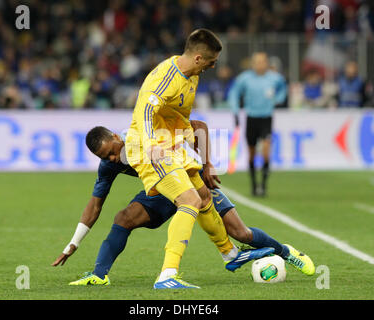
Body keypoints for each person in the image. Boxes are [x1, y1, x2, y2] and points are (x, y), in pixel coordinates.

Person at [51, 122, 315, 286]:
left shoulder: (145, 131)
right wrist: (73, 243)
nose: (111, 158)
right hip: (161, 191)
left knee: (240, 233)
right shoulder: (109, 165)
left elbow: (198, 126)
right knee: (123, 218)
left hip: (192, 181)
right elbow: (95, 205)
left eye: (111, 150)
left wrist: (206, 164)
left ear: (115, 136)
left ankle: (285, 252)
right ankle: (99, 274)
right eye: (104, 156)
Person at [124, 28, 241, 289]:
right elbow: (144, 110)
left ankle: (231, 254)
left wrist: (187, 136)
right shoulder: (165, 77)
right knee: (188, 200)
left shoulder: (192, 76)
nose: (212, 67)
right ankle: (167, 275)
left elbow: (179, 113)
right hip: (148, 146)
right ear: (198, 58)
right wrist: (153, 145)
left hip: (172, 143)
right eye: (211, 62)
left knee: (203, 197)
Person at [228, 52, 287, 197]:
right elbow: (234, 93)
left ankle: (264, 185)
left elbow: (283, 88)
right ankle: (254, 184)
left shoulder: (274, 78)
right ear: (252, 64)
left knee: (266, 151)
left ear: (267, 63)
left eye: (262, 62)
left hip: (266, 118)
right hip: (251, 118)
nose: (260, 64)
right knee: (252, 154)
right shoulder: (245, 78)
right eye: (257, 62)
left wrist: (278, 99)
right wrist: (235, 109)